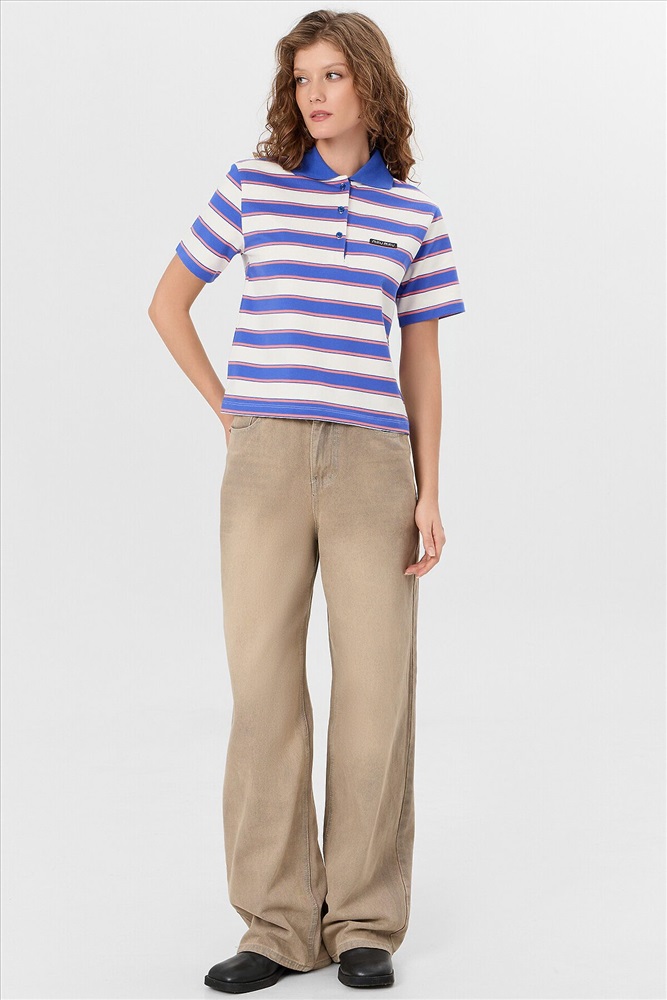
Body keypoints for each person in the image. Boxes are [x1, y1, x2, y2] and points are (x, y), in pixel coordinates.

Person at [148, 8, 465, 993]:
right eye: (300, 78)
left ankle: (363, 919)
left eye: (331, 74)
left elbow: (421, 360)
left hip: (374, 466)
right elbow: (167, 301)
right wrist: (230, 412)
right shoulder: (253, 187)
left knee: (375, 692)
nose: (314, 94)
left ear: (370, 83)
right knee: (263, 691)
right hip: (266, 462)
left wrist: (430, 490)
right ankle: (276, 923)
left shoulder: (415, 216)